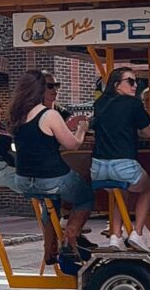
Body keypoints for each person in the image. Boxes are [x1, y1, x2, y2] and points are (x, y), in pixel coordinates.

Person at [10, 70, 94, 267]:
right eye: (49, 86)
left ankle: (49, 250)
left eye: (57, 86)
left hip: (23, 180)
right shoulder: (49, 115)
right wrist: (81, 129)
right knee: (85, 196)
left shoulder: (16, 115)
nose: (54, 90)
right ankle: (70, 238)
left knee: (51, 200)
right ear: (40, 89)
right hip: (51, 177)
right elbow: (73, 144)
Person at [91, 67, 150, 252]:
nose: (135, 86)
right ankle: (137, 233)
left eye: (136, 82)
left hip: (98, 167)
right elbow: (149, 133)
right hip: (123, 164)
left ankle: (115, 235)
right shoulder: (132, 103)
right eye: (131, 81)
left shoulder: (100, 103)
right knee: (147, 187)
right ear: (117, 85)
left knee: (121, 192)